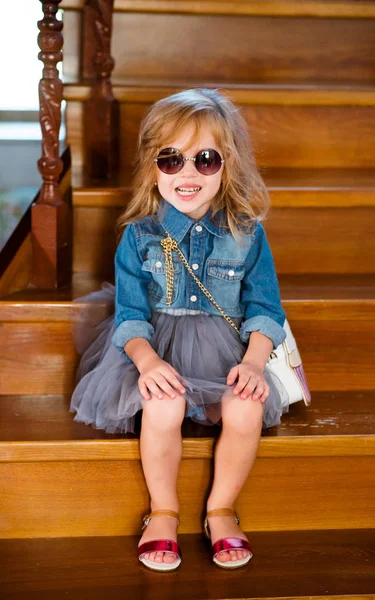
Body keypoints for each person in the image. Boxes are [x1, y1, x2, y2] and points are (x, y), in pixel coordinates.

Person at [70, 88, 289, 572]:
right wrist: (147, 363)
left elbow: (265, 307)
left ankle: (221, 509)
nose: (187, 173)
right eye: (171, 159)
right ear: (153, 166)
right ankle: (163, 512)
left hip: (225, 355)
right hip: (156, 348)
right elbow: (129, 314)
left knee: (246, 407)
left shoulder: (247, 232)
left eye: (205, 159)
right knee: (163, 403)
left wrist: (253, 363)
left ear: (227, 165)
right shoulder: (140, 235)